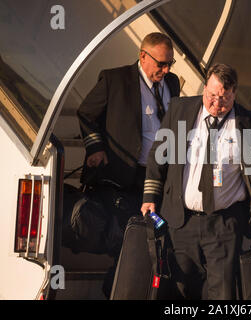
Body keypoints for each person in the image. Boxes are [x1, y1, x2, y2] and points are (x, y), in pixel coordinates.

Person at [141, 63, 251, 299]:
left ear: (234, 94)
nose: (216, 104)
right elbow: (158, 155)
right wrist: (149, 197)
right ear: (205, 87)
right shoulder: (180, 109)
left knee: (221, 294)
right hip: (181, 221)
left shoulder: (250, 124)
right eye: (212, 95)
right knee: (179, 291)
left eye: (224, 99)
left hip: (223, 226)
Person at [77, 32, 180, 296]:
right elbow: (87, 113)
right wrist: (96, 147)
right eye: (161, 64)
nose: (166, 69)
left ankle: (123, 288)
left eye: (170, 64)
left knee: (156, 234)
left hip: (158, 176)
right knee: (129, 236)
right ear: (143, 56)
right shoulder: (115, 79)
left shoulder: (170, 83)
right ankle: (113, 288)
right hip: (125, 176)